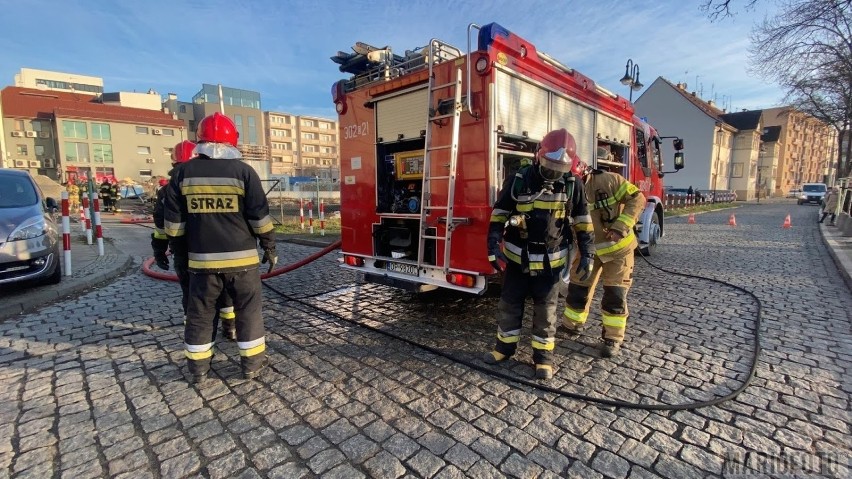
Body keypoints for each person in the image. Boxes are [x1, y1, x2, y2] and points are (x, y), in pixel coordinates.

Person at [163, 112, 277, 384]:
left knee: (200, 314)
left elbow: (174, 225)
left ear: (199, 140)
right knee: (248, 311)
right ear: (232, 140)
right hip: (244, 264)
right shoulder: (244, 172)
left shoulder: (181, 174)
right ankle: (251, 365)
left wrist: (181, 253)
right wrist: (270, 248)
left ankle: (198, 369)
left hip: (201, 264)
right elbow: (260, 218)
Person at [484, 128, 595, 380]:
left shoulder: (572, 185)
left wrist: (587, 253)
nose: (554, 172)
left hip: (550, 265)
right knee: (509, 306)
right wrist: (492, 248)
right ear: (538, 156)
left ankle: (543, 359)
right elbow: (498, 216)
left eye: (560, 167)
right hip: (517, 261)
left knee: (546, 312)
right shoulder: (519, 180)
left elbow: (583, 222)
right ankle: (504, 349)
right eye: (549, 164)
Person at [562, 146, 646, 357]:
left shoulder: (608, 181)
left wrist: (620, 227)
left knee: (614, 295)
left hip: (618, 252)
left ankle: (612, 338)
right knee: (577, 290)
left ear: (582, 172)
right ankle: (572, 325)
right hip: (588, 250)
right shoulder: (564, 189)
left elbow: (638, 199)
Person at [152, 140, 238, 342]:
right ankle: (230, 328)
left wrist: (159, 249)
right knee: (225, 291)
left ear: (174, 163)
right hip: (219, 249)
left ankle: (197, 337)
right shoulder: (213, 184)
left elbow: (161, 226)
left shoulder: (166, 191)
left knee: (192, 296)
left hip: (185, 253)